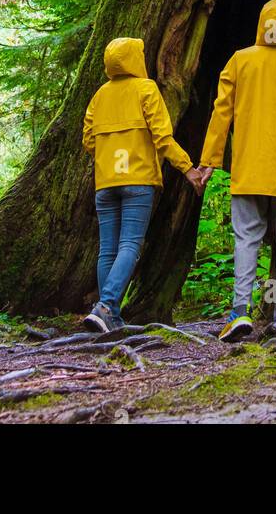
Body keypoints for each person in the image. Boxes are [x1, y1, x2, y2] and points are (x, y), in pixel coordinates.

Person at [197, 0, 276, 341]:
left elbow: (221, 112)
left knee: (246, 240)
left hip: (249, 171)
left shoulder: (240, 61)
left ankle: (240, 311)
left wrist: (210, 160)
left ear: (260, 23)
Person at [82, 35, 203, 333]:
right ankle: (107, 305)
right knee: (130, 245)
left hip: (106, 182)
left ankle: (110, 316)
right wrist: (188, 169)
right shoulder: (146, 89)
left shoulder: (100, 96)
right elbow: (163, 138)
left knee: (107, 249)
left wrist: (112, 151)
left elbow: (88, 141)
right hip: (138, 180)